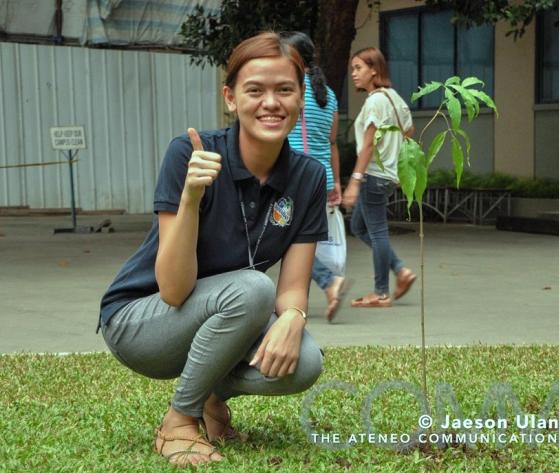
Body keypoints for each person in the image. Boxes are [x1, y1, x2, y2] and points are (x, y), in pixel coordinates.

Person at [98, 32, 326, 466]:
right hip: (142, 320)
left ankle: (210, 397)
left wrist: (294, 317)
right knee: (255, 289)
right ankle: (178, 421)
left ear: (300, 98)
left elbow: (294, 285)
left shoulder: (308, 177)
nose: (271, 103)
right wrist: (190, 197)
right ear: (231, 97)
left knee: (307, 361)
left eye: (285, 90)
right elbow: (173, 290)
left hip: (226, 313)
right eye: (254, 90)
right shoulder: (192, 152)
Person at [342, 47, 416, 308]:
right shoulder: (394, 98)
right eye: (352, 69)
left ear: (375, 69)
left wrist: (354, 180)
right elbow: (409, 132)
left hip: (374, 176)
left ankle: (381, 293)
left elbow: (369, 145)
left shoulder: (375, 101)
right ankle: (400, 270)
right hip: (389, 176)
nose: (354, 74)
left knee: (376, 231)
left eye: (358, 68)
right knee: (359, 227)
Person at [283, 31, 347, 322]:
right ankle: (297, 303)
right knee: (301, 237)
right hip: (321, 176)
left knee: (290, 239)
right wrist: (336, 183)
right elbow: (332, 143)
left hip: (296, 174)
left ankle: (328, 282)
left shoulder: (291, 89)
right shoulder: (329, 95)